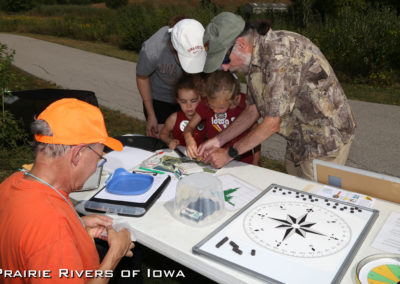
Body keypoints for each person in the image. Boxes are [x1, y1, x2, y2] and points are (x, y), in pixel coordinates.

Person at [199, 12, 356, 180]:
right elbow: (253, 110)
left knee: (310, 198)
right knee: (292, 186)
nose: (224, 68)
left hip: (325, 140)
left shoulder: (278, 56)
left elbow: (271, 123)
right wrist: (218, 141)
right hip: (299, 137)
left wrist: (229, 154)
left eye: (224, 59)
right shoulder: (253, 58)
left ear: (241, 44)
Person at [0, 98, 137, 283]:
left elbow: (28, 238)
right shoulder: (51, 228)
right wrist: (115, 254)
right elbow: (46, 234)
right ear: (77, 154)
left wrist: (77, 227)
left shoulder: (10, 183)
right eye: (98, 157)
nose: (95, 166)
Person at [136, 17, 206, 138]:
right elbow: (142, 77)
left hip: (190, 98)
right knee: (160, 139)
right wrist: (151, 114)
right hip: (159, 98)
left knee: (194, 137)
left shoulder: (201, 41)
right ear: (173, 48)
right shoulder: (153, 49)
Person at [184, 70, 260, 165]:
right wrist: (189, 140)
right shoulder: (205, 103)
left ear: (235, 99)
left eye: (221, 107)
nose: (215, 110)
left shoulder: (246, 105)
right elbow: (189, 127)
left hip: (243, 161)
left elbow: (256, 133)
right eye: (211, 106)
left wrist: (256, 160)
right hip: (214, 159)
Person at [160, 73, 206, 150]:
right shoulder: (174, 118)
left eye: (193, 101)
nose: (189, 106)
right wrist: (170, 141)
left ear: (200, 98)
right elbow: (163, 134)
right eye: (184, 102)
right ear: (178, 101)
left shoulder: (206, 117)